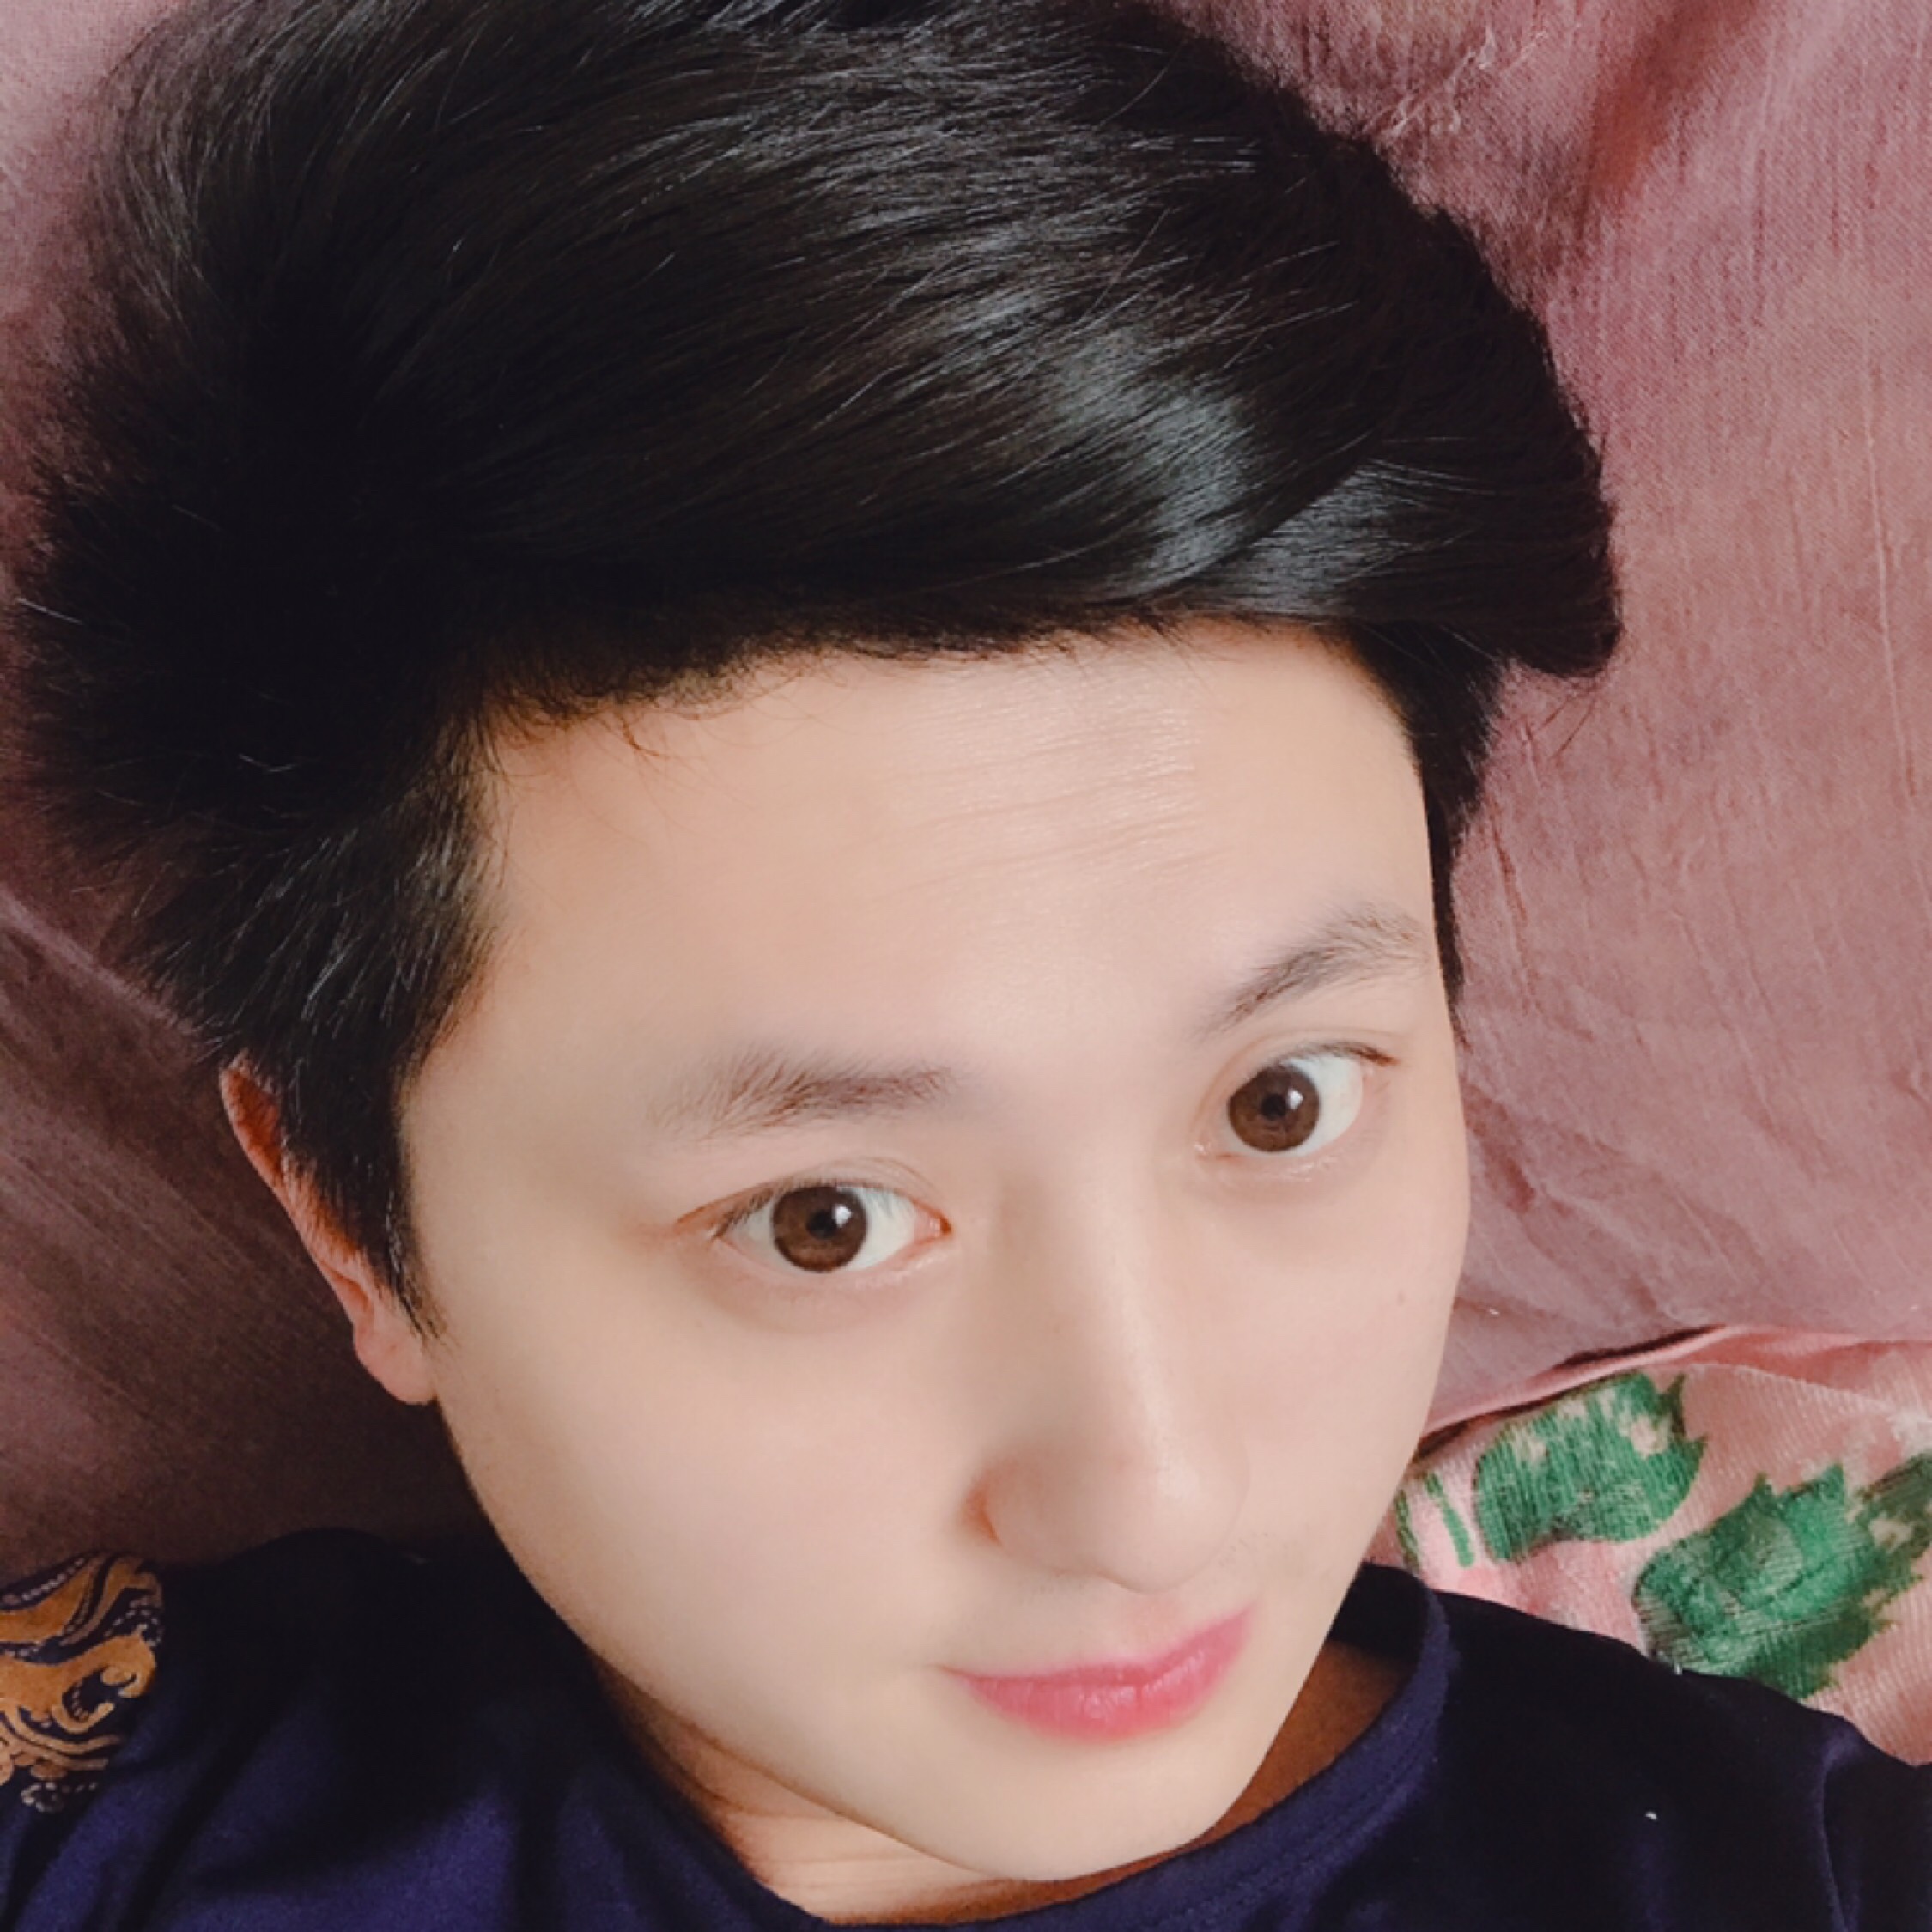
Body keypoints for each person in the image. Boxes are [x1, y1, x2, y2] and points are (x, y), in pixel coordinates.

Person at [1, 0, 1925, 1924]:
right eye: (822, 1222)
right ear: (354, 1221)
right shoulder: (89, 1805)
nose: (1153, 1499)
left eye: (1280, 1105)